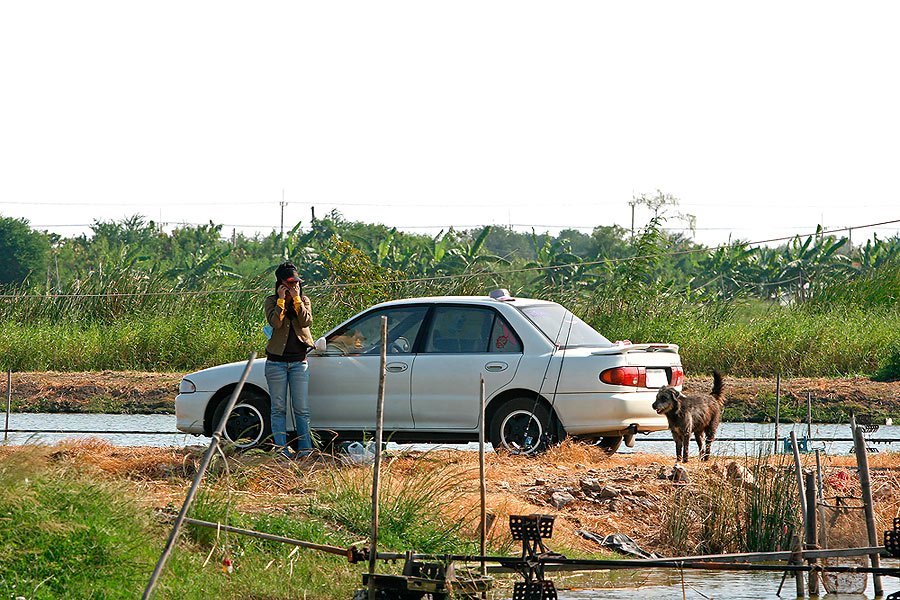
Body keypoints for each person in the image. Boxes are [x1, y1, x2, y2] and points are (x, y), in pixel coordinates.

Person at [264, 262, 315, 457]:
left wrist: (296, 300)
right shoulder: (271, 301)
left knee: (301, 409)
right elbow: (275, 322)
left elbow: (306, 321)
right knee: (278, 408)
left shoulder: (304, 300)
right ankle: (281, 449)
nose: (295, 287)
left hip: (298, 363)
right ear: (281, 283)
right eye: (290, 284)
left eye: (296, 284)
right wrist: (281, 300)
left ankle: (305, 448)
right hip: (275, 363)